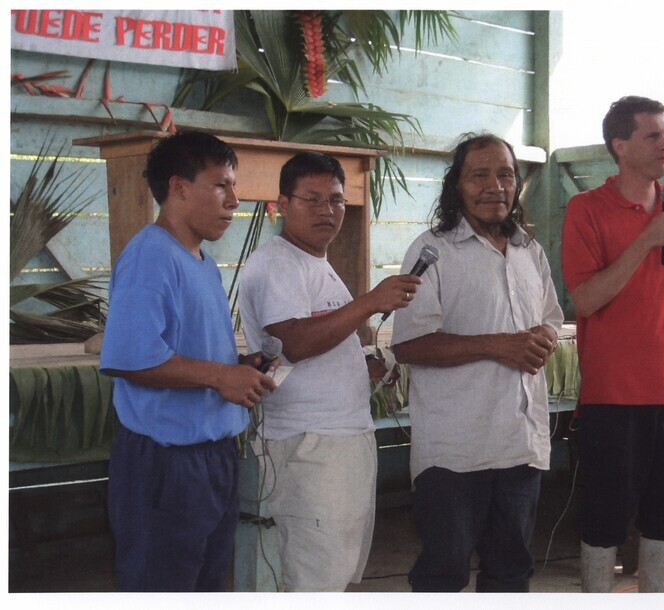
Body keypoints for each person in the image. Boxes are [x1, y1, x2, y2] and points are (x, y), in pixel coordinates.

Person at [100, 131, 277, 591]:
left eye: (234, 187)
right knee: (164, 586)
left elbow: (187, 351)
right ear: (178, 187)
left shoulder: (200, 262)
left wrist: (240, 364)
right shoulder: (150, 256)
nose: (234, 200)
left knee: (205, 585)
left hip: (212, 458)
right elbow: (131, 359)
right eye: (222, 185)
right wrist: (221, 375)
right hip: (166, 463)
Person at [237, 151, 421, 592]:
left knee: (334, 573)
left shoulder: (315, 264)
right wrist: (370, 302)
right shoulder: (277, 262)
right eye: (312, 199)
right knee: (316, 578)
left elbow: (306, 348)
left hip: (337, 441)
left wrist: (365, 366)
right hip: (309, 445)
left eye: (336, 200)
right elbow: (294, 342)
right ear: (282, 204)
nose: (327, 210)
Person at [391, 133, 564, 592]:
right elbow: (409, 344)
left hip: (521, 444)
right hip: (455, 452)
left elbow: (550, 320)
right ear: (456, 186)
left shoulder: (530, 251)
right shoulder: (433, 251)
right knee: (442, 577)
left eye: (505, 174)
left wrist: (541, 338)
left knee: (510, 574)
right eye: (479, 175)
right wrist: (499, 345)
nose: (495, 186)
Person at [561, 96, 664, 592]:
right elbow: (584, 297)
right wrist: (644, 240)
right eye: (653, 135)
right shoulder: (586, 210)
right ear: (621, 146)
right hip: (613, 394)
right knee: (605, 516)